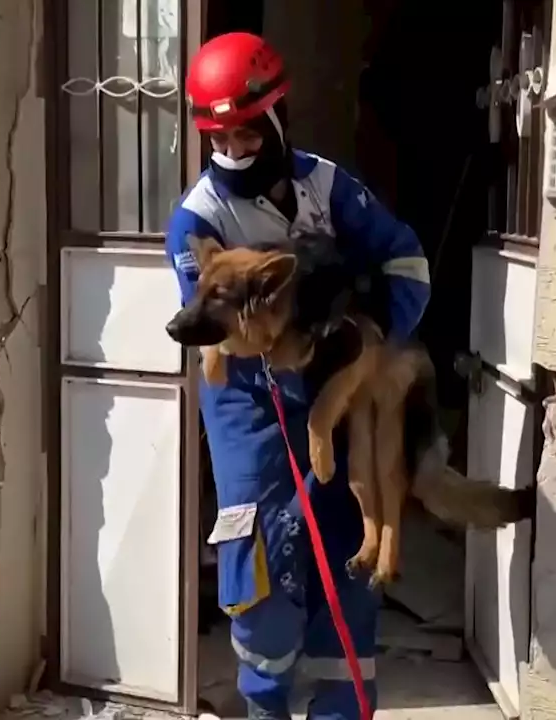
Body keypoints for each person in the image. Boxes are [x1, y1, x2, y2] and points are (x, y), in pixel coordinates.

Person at [165, 32, 431, 720]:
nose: (235, 151)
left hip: (333, 382)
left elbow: (404, 259)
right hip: (251, 407)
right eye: (219, 139)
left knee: (346, 549)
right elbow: (225, 332)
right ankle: (264, 706)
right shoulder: (197, 221)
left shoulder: (326, 184)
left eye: (247, 135)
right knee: (261, 562)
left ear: (277, 116)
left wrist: (374, 335)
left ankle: (342, 707)